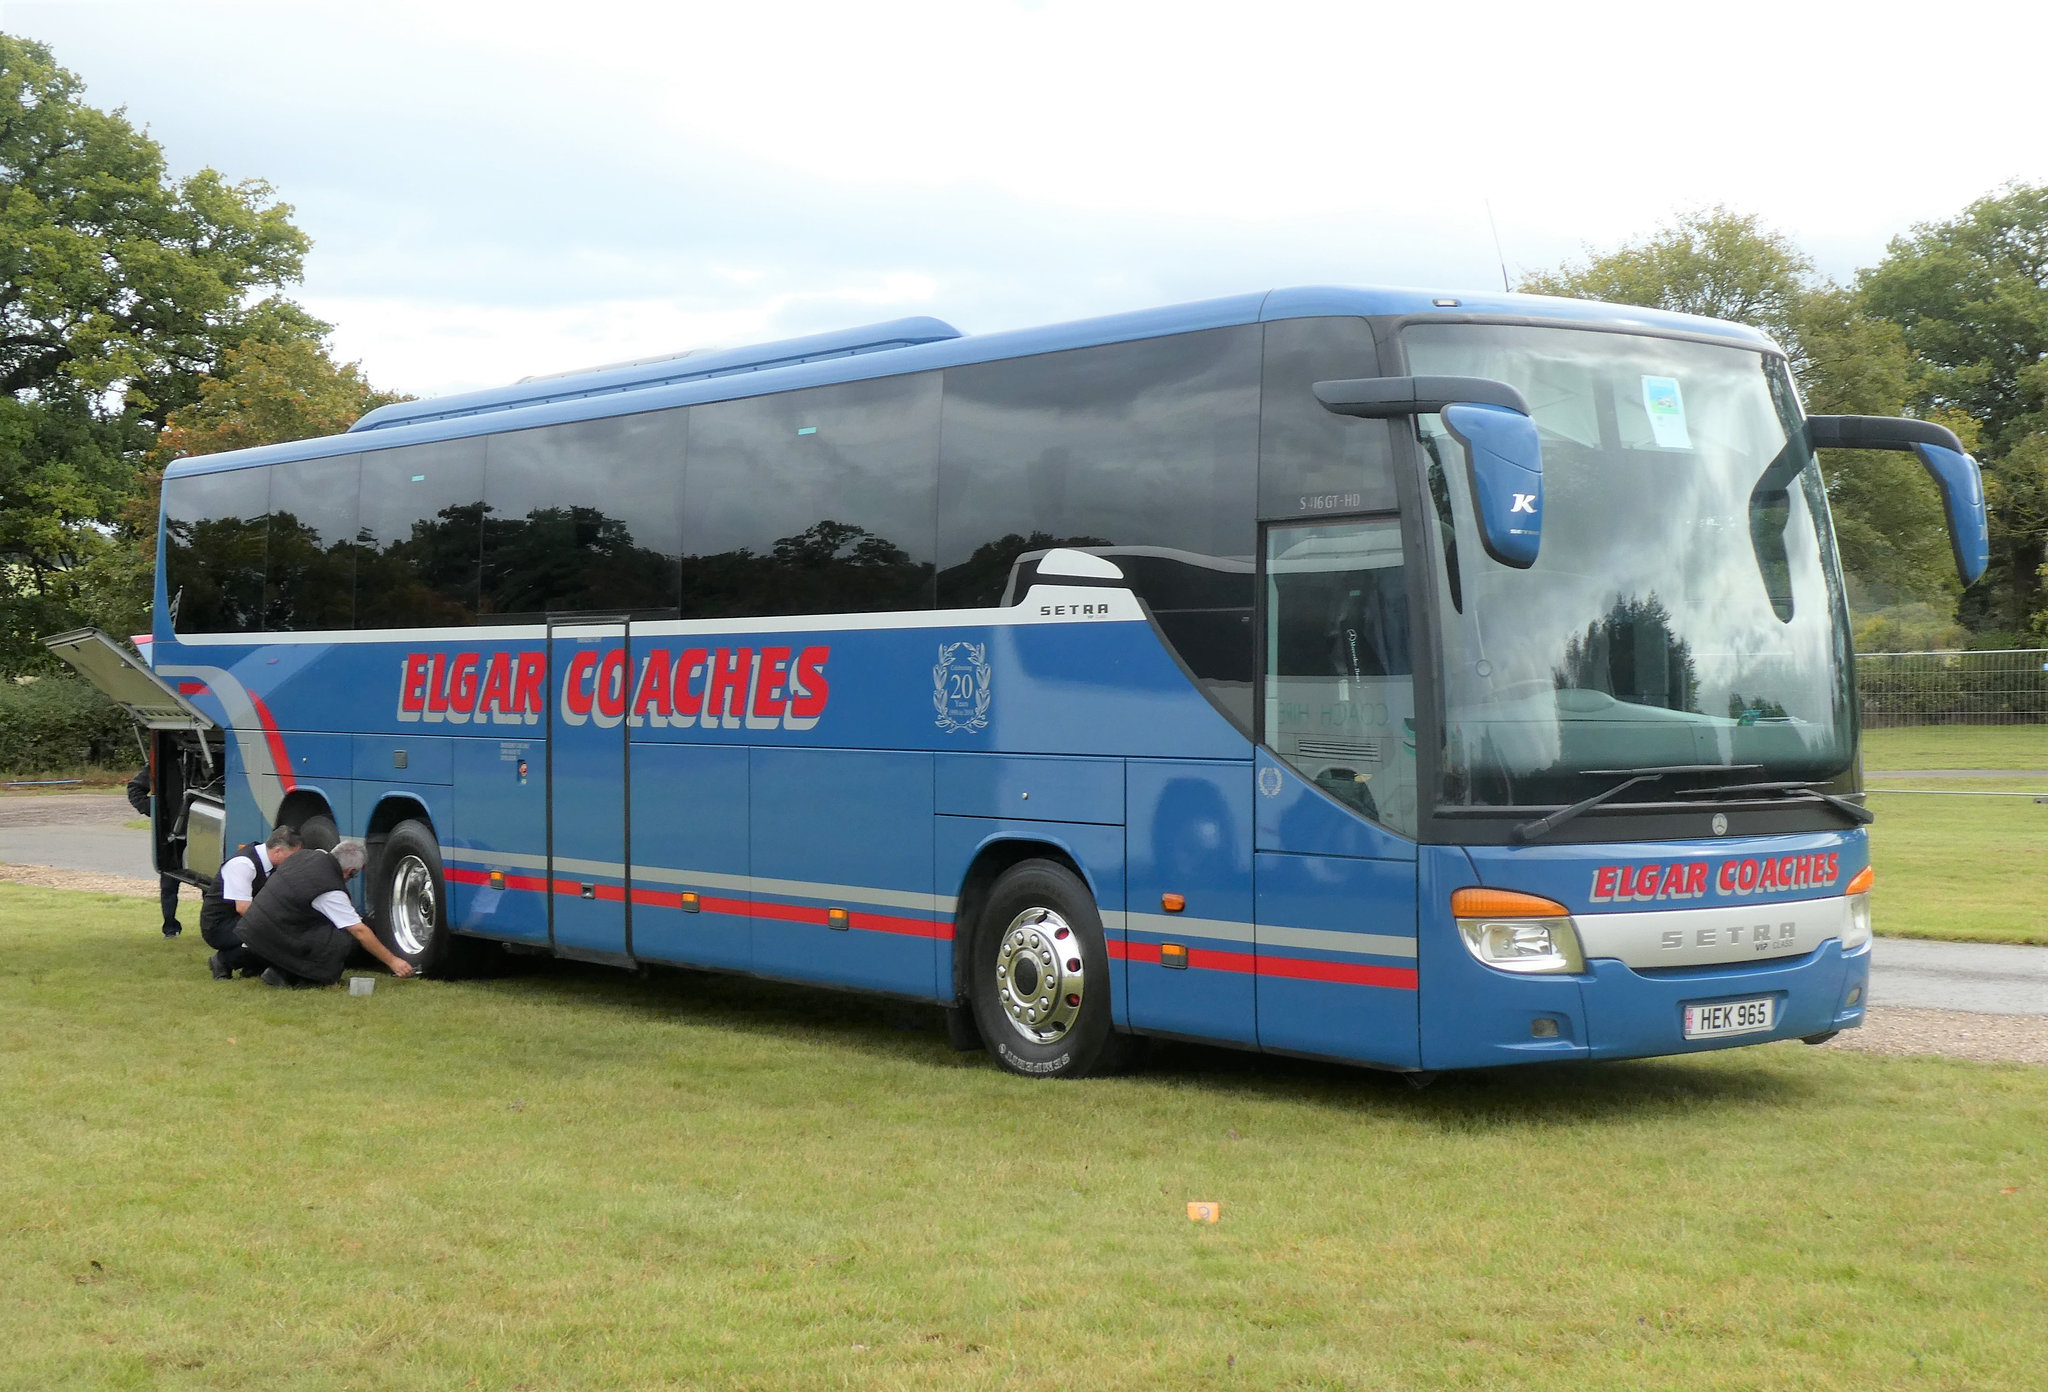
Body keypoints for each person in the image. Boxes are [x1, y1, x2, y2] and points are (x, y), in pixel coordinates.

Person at [237, 840, 417, 989]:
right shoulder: (330, 888)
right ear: (349, 871)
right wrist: (393, 961)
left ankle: (279, 971)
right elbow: (359, 931)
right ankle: (303, 977)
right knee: (340, 940)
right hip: (269, 934)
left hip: (251, 926)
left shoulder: (306, 856)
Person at [200, 825, 303, 980]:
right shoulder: (243, 864)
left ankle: (252, 965)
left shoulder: (270, 865)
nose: (294, 862)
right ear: (278, 851)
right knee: (273, 937)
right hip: (220, 925)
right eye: (292, 856)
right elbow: (243, 908)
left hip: (240, 920)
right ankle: (223, 961)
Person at [126, 763, 184, 937]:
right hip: (169, 831)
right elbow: (135, 788)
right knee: (169, 883)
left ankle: (210, 927)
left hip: (202, 829)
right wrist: (155, 811)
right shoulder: (163, 762)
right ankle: (170, 926)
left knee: (209, 883)